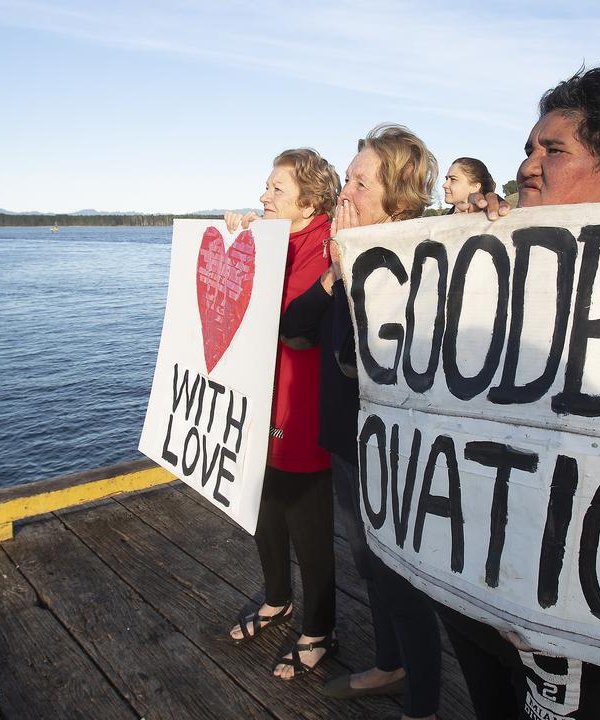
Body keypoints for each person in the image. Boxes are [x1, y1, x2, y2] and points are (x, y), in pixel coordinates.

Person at [453, 66, 600, 719]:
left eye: (553, 150)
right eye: (528, 148)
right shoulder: (503, 256)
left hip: (576, 587)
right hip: (479, 568)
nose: (527, 165)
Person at [281, 124, 445, 720]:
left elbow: (367, 359)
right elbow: (295, 326)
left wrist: (352, 274)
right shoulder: (345, 254)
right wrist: (335, 271)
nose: (345, 192)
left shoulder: (416, 260)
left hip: (390, 447)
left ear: (398, 196)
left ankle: (422, 703)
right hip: (345, 441)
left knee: (403, 580)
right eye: (347, 178)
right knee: (368, 564)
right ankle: (389, 663)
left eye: (359, 181)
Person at [222, 148, 342, 681]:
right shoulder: (269, 240)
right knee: (262, 504)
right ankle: (277, 599)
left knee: (307, 517)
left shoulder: (329, 242)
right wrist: (238, 239)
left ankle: (320, 627)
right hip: (258, 397)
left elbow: (299, 325)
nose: (262, 197)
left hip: (301, 403)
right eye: (265, 188)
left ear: (309, 200)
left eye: (276, 190)